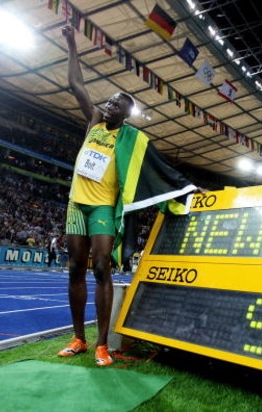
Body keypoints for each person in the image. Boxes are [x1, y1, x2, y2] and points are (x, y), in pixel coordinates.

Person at [58, 25, 199, 367]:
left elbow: (156, 165)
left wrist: (188, 186)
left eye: (116, 105)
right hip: (77, 203)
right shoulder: (93, 123)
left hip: (104, 206)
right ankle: (79, 338)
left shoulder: (131, 139)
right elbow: (75, 85)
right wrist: (73, 44)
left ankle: (102, 344)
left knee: (103, 265)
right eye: (108, 102)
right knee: (76, 266)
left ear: (125, 114)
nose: (108, 106)